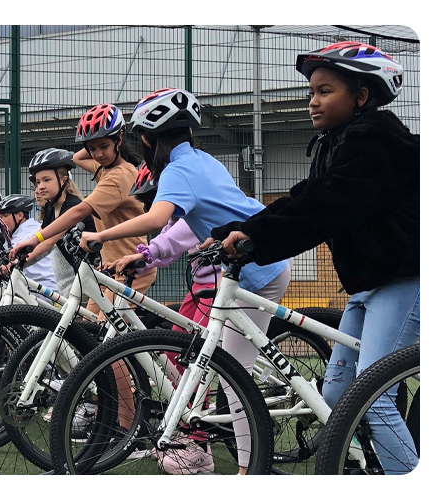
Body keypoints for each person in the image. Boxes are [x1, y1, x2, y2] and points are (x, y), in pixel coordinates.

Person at [209, 42, 419, 474]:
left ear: (360, 96)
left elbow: (325, 207)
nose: (312, 101)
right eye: (311, 92)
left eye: (325, 90)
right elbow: (304, 197)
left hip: (407, 279)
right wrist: (239, 231)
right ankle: (364, 469)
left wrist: (257, 240)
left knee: (372, 400)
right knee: (339, 394)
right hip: (371, 284)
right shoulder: (338, 143)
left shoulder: (375, 145)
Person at [79, 88, 291, 474]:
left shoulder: (177, 170)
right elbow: (185, 230)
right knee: (224, 368)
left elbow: (159, 220)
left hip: (254, 269)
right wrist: (144, 254)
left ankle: (248, 470)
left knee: (233, 377)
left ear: (145, 139)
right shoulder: (202, 160)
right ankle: (228, 456)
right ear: (190, 133)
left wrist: (101, 236)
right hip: (260, 259)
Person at [109, 163, 219, 473]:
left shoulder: (190, 212)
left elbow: (171, 242)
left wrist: (141, 258)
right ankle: (188, 425)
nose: (149, 207)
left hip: (220, 284)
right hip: (200, 284)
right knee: (175, 352)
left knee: (198, 360)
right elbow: (167, 247)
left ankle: (199, 441)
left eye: (151, 199)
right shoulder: (176, 216)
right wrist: (134, 263)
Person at [13, 105, 157, 314]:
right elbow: (77, 158)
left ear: (120, 138)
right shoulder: (105, 169)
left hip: (133, 268)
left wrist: (36, 238)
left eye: (103, 146)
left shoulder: (120, 176)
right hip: (109, 269)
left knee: (107, 339)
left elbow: (80, 211)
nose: (97, 154)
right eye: (92, 148)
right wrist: (94, 138)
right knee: (88, 330)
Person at [10, 148, 95, 295]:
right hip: (80, 278)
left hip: (94, 276)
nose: (40, 186)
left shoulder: (72, 206)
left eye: (46, 180)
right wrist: (12, 253)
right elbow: (39, 233)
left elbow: (48, 241)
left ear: (64, 180)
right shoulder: (50, 207)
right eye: (37, 182)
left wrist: (19, 262)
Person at [0, 194, 59, 295]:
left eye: (6, 216)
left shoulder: (29, 230)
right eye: (0, 216)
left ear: (20, 216)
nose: (2, 220)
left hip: (43, 289)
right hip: (30, 287)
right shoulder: (16, 233)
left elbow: (17, 255)